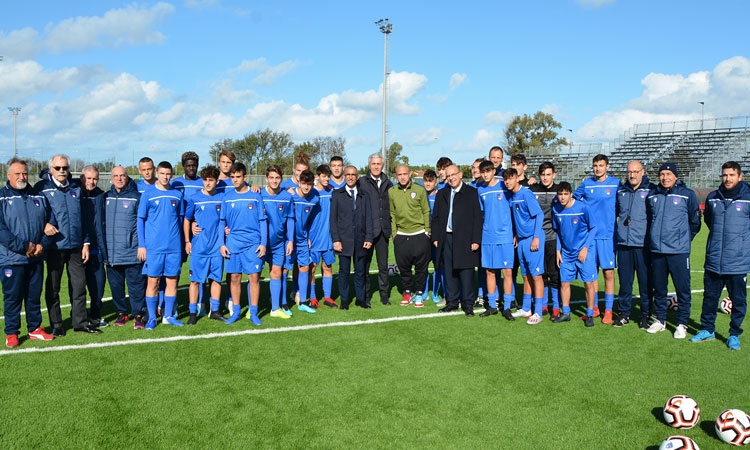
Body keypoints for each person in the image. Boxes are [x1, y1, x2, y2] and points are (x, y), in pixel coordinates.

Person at [35, 154, 100, 335]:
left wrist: (85, 243)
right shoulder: (42, 188)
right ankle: (57, 325)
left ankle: (80, 323)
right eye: (58, 168)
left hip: (76, 247)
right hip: (54, 247)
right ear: (51, 169)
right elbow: (33, 214)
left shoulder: (75, 188)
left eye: (65, 168)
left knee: (79, 286)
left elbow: (84, 218)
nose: (62, 171)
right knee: (53, 288)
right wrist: (43, 225)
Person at [691, 161, 750, 350]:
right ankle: (708, 329)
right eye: (725, 175)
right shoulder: (713, 198)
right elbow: (709, 220)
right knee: (710, 298)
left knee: (738, 300)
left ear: (740, 177)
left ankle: (734, 334)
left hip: (737, 261)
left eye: (732, 175)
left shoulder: (748, 198)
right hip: (714, 259)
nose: (727, 178)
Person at [1, 157, 55, 348]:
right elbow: (2, 231)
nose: (22, 176)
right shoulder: (2, 197)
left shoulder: (38, 196)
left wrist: (42, 245)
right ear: (9, 175)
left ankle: (34, 329)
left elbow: (51, 223)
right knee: (13, 297)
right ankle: (12, 333)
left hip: (36, 258)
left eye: (24, 173)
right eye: (17, 173)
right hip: (12, 259)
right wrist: (25, 247)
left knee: (34, 296)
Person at [645, 162, 700, 338]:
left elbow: (695, 222)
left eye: (669, 174)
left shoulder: (687, 195)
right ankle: (660, 320)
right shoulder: (652, 195)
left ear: (675, 176)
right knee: (659, 289)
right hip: (657, 251)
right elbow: (649, 219)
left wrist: (683, 239)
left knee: (682, 289)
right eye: (662, 174)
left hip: (678, 251)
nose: (665, 177)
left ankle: (682, 323)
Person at [138, 160, 185, 329]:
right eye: (162, 173)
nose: (165, 177)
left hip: (173, 248)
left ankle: (168, 316)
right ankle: (151, 318)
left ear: (171, 174)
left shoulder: (177, 195)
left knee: (172, 281)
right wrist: (142, 245)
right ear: (157, 173)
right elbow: (140, 220)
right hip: (154, 248)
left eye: (168, 174)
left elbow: (180, 220)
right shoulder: (148, 194)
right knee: (153, 282)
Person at [574, 154, 620, 324]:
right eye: (595, 165)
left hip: (608, 236)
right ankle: (593, 309)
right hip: (590, 238)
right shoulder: (587, 184)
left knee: (608, 272)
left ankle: (608, 311)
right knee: (591, 275)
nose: (598, 168)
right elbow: (572, 199)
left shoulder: (616, 184)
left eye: (601, 165)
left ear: (608, 166)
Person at [220, 163, 267, 325]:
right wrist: (222, 243)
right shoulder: (227, 197)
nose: (235, 180)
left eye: (238, 177)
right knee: (234, 277)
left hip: (253, 245)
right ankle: (236, 312)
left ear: (244, 177)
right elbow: (222, 222)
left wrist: (263, 243)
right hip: (233, 244)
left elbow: (263, 221)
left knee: (253, 277)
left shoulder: (255, 196)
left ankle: (254, 313)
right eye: (232, 177)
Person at [432, 164, 482, 316]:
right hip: (446, 237)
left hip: (465, 238)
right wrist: (435, 237)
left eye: (454, 174)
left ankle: (468, 304)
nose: (451, 178)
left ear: (460, 174)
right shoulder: (442, 193)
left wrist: (475, 240)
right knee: (449, 270)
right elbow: (436, 218)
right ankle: (452, 301)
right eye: (448, 176)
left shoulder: (472, 193)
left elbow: (477, 218)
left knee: (466, 271)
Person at [550, 182, 598, 327]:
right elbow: (558, 231)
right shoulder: (556, 209)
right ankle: (565, 313)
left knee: (588, 283)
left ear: (571, 194)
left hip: (584, 252)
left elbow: (594, 228)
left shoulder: (583, 207)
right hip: (566, 253)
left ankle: (589, 314)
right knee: (564, 283)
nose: (563, 197)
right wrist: (558, 250)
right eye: (560, 194)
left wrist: (585, 248)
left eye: (566, 194)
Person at [104, 166, 147, 329]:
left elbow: (142, 223)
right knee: (116, 287)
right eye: (116, 176)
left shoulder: (136, 197)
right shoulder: (105, 197)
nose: (119, 179)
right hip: (112, 254)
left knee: (136, 286)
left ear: (127, 177)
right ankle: (121, 314)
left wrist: (141, 246)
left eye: (122, 176)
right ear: (111, 178)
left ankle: (138, 315)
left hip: (131, 251)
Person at [614, 160, 655, 329]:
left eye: (636, 171)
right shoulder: (621, 191)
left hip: (643, 245)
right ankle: (624, 313)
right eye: (629, 171)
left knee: (645, 283)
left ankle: (645, 315)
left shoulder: (651, 190)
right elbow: (616, 212)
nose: (632, 175)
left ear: (643, 172)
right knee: (625, 283)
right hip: (624, 244)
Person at [183, 165, 226, 325]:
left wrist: (226, 229)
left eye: (211, 180)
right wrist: (187, 241)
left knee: (216, 280)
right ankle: (193, 313)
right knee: (195, 281)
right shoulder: (195, 198)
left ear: (217, 181)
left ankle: (214, 311)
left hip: (216, 247)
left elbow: (225, 219)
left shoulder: (222, 198)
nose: (208, 183)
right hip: (199, 247)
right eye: (205, 180)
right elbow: (187, 220)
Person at [505, 168, 546, 324]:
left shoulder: (526, 194)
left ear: (517, 178)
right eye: (506, 179)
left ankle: (538, 312)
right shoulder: (512, 196)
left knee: (536, 276)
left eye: (510, 178)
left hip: (532, 239)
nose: (508, 181)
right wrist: (516, 233)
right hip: (521, 240)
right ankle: (527, 307)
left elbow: (539, 214)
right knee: (526, 275)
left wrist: (536, 237)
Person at [330, 166, 373, 309]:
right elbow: (333, 220)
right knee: (344, 272)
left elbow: (369, 219)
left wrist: (369, 238)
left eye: (353, 175)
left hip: (361, 241)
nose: (350, 177)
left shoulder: (364, 195)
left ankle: (360, 299)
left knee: (360, 272)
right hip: (344, 241)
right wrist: (336, 240)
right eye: (347, 174)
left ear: (357, 177)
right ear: (344, 176)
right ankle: (344, 300)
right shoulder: (337, 194)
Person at [476, 160, 515, 320]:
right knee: (490, 272)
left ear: (493, 171)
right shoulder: (480, 190)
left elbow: (514, 209)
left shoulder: (504, 186)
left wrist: (516, 234)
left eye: (488, 171)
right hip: (488, 237)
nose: (485, 174)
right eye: (482, 171)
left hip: (505, 237)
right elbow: (481, 213)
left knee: (507, 272)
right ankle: (492, 306)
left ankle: (506, 307)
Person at [389, 164, 431, 308]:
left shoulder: (420, 190)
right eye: (399, 174)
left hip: (419, 234)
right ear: (396, 175)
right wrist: (394, 233)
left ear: (410, 174)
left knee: (421, 268)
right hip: (401, 235)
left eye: (405, 174)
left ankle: (419, 293)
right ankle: (407, 292)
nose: (402, 177)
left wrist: (427, 231)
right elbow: (392, 214)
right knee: (404, 267)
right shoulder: (392, 191)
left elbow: (426, 211)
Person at [359, 152, 393, 305]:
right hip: (367, 231)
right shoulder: (362, 182)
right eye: (374, 164)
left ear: (383, 165)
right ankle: (365, 297)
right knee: (364, 266)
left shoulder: (388, 182)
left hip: (383, 231)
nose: (376, 166)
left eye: (379, 164)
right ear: (369, 165)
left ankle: (384, 296)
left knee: (383, 267)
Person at [261, 165, 294, 318]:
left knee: (276, 272)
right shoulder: (258, 195)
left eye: (277, 178)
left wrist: (291, 240)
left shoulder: (287, 197)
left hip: (278, 243)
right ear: (266, 178)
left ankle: (275, 308)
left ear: (282, 179)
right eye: (272, 177)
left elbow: (290, 220)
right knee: (255, 276)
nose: (274, 181)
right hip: (260, 243)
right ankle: (252, 309)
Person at [530, 162, 561, 318]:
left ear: (554, 175)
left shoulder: (560, 191)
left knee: (554, 273)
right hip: (537, 238)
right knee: (540, 273)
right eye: (542, 174)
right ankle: (542, 305)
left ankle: (556, 306)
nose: (545, 177)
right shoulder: (533, 190)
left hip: (554, 239)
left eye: (548, 174)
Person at [288, 170, 320, 314]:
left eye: (309, 184)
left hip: (302, 239)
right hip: (288, 239)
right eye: (303, 183)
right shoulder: (290, 195)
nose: (306, 187)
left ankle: (303, 301)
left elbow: (308, 220)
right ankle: (282, 302)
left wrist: (307, 236)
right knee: (283, 269)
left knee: (305, 268)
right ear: (298, 182)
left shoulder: (314, 199)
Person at [80, 165, 108, 328]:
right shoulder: (75, 194)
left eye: (95, 178)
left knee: (98, 285)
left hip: (97, 249)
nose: (92, 181)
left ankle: (96, 315)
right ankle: (80, 316)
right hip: (79, 250)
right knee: (78, 287)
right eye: (88, 178)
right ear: (82, 178)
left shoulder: (101, 195)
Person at [308, 164, 337, 308]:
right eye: (324, 176)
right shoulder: (311, 193)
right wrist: (306, 236)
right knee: (312, 268)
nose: (327, 179)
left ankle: (327, 297)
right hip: (313, 238)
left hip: (329, 238)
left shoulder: (332, 192)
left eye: (328, 176)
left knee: (328, 266)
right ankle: (312, 298)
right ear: (317, 177)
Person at [422, 169, 445, 305]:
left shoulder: (440, 196)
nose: (428, 184)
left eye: (431, 181)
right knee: (423, 265)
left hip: (437, 237)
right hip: (424, 237)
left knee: (438, 266)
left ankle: (435, 292)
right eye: (426, 181)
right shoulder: (421, 195)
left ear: (436, 182)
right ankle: (424, 292)